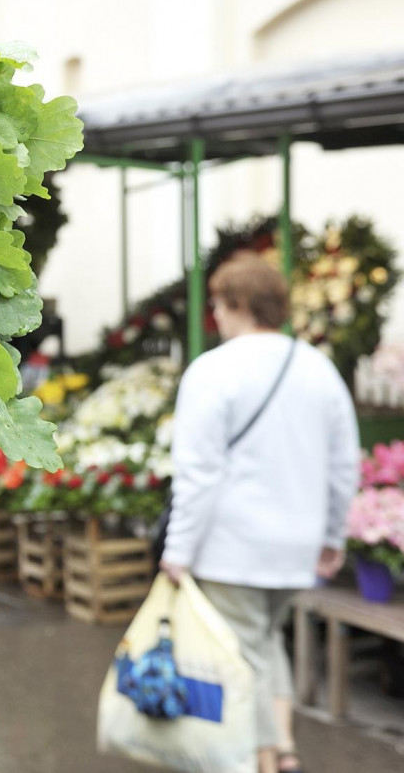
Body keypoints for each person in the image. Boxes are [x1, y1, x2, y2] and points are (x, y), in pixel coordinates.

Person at [160, 253, 359, 773]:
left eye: (218, 305)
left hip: (232, 549)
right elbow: (344, 464)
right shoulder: (318, 368)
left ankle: (256, 761)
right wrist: (332, 536)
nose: (215, 316)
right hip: (296, 548)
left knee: (240, 661)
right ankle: (281, 754)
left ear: (239, 304)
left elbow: (198, 474)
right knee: (264, 643)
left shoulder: (212, 371)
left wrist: (177, 551)